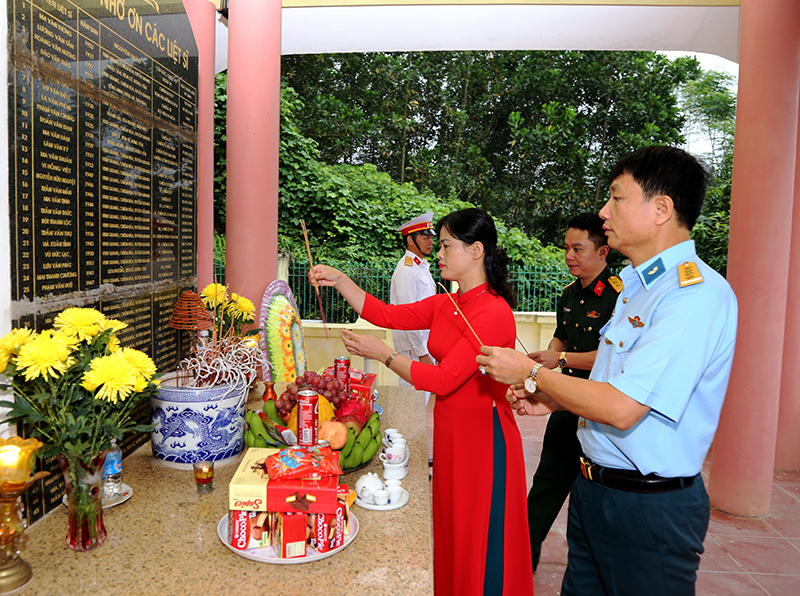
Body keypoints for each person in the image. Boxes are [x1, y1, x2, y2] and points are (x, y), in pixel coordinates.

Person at [476, 146, 738, 596]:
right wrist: (554, 399)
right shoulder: (637, 287)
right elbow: (614, 383)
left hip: (648, 507)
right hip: (596, 488)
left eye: (616, 198)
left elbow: (622, 408)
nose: (603, 211)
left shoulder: (691, 296)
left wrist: (533, 374)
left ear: (661, 208)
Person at [310, 208, 534, 596]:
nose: (440, 253)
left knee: (481, 537)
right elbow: (387, 314)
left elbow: (445, 380)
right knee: (451, 528)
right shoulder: (448, 302)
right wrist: (340, 280)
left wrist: (384, 355)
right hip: (450, 431)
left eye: (447, 245)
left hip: (483, 440)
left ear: (477, 250)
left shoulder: (494, 310)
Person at [526, 213, 618, 573]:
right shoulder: (570, 294)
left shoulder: (618, 296)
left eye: (578, 248)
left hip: (600, 409)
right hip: (566, 402)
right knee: (546, 485)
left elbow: (612, 355)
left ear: (602, 251)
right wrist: (550, 358)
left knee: (597, 499)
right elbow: (561, 336)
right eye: (566, 248)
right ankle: (522, 560)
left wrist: (560, 357)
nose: (569, 255)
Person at [390, 211, 437, 404]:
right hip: (413, 348)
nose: (431, 242)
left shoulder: (420, 267)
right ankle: (405, 435)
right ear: (410, 240)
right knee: (413, 401)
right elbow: (409, 316)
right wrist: (422, 353)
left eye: (430, 238)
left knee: (419, 399)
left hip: (422, 344)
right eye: (425, 238)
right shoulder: (407, 271)